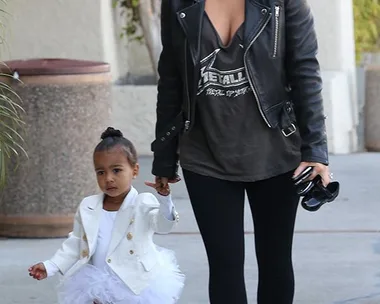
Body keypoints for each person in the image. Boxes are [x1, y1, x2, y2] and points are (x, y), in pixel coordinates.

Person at [149, 0, 331, 303]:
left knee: (275, 262)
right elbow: (171, 77)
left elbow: (305, 70)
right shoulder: (179, 3)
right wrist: (164, 156)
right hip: (205, 153)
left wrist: (316, 150)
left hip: (275, 152)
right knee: (224, 267)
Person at [28, 127, 185, 304]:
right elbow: (76, 243)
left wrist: (165, 199)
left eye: (116, 170)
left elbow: (163, 226)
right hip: (96, 284)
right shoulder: (89, 206)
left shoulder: (143, 202)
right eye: (101, 172)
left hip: (135, 285)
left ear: (134, 170)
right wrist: (51, 266)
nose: (108, 178)